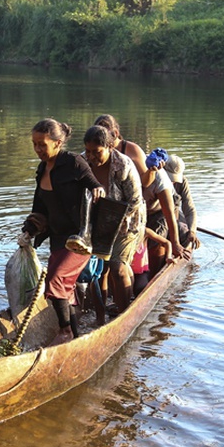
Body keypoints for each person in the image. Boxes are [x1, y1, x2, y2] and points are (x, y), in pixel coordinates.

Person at [23, 119, 104, 345]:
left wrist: (97, 189)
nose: (38, 149)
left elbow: (94, 185)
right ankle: (74, 339)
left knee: (55, 280)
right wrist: (29, 229)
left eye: (42, 144)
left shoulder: (74, 162)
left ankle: (65, 331)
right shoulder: (42, 169)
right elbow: (39, 206)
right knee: (63, 292)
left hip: (80, 240)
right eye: (35, 144)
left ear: (58, 143)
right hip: (58, 238)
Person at [81, 125, 144, 315]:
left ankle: (125, 312)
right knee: (98, 270)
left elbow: (134, 201)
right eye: (88, 151)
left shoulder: (123, 165)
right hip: (97, 223)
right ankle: (99, 310)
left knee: (117, 267)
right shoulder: (82, 162)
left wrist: (112, 222)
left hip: (127, 223)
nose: (91, 156)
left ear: (109, 147)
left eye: (97, 152)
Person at [142, 149, 192, 276]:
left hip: (161, 212)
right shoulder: (149, 169)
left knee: (169, 234)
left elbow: (187, 209)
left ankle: (155, 270)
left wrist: (192, 231)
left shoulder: (179, 183)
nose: (173, 182)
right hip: (144, 211)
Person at [94, 114, 156, 189]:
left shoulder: (132, 150)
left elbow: (145, 183)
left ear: (116, 133)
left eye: (105, 136)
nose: (101, 140)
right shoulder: (92, 152)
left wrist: (152, 171)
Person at [163, 154, 201, 249]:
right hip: (157, 213)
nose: (173, 182)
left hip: (173, 213)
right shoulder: (155, 178)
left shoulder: (182, 182)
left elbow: (189, 208)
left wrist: (192, 231)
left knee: (184, 234)